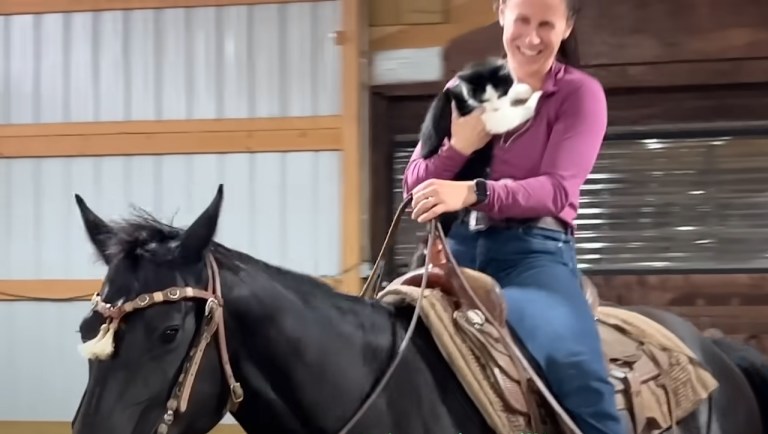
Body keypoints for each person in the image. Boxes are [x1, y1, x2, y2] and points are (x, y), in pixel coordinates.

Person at [401, 0, 624, 433]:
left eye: (546, 24)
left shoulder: (579, 94)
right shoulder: (469, 86)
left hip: (534, 256)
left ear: (567, 27)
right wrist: (459, 148)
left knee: (575, 370)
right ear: (500, 12)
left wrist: (471, 190)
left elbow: (558, 189)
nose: (532, 36)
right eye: (522, 20)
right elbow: (414, 187)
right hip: (455, 254)